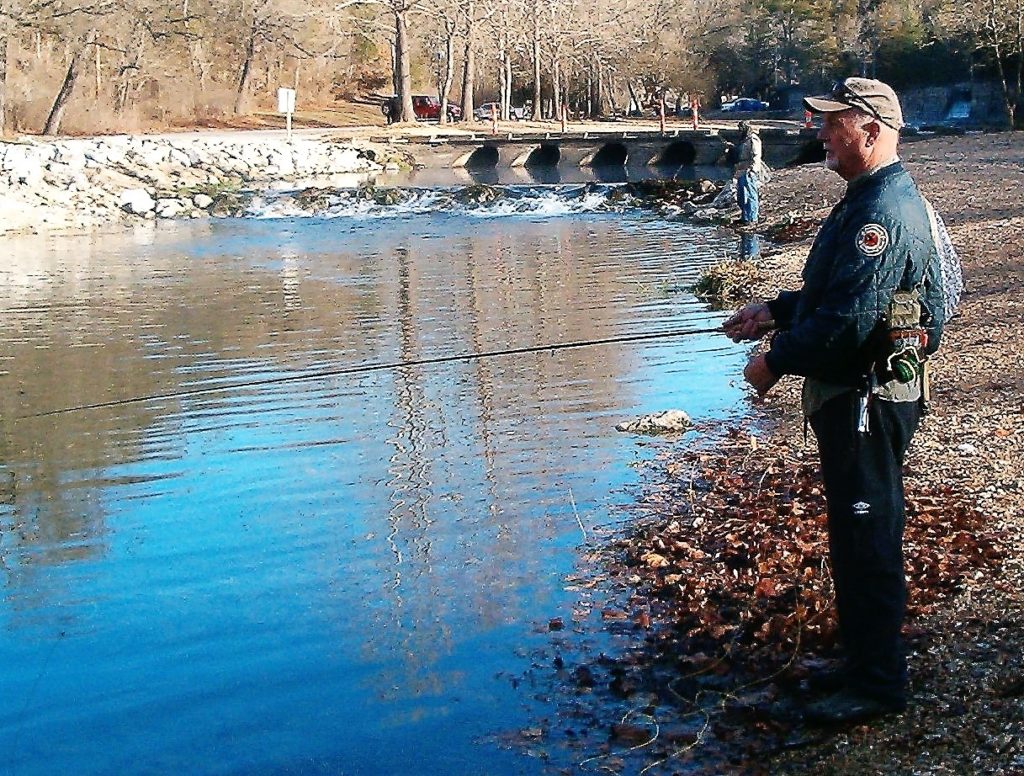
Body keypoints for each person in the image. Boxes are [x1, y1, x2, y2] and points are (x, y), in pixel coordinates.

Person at [722, 77, 947, 724]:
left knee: (868, 532)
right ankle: (861, 661)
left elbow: (850, 325)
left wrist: (773, 363)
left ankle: (877, 686)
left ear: (871, 131)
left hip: (870, 397)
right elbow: (837, 299)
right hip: (859, 393)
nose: (819, 133)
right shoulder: (866, 197)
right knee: (857, 531)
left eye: (832, 123)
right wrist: (773, 311)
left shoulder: (882, 212)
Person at [734, 121, 766, 224]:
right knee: (742, 195)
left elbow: (756, 156)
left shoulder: (753, 139)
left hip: (749, 171)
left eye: (741, 128)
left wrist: (752, 169)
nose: (739, 131)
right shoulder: (744, 139)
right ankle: (745, 217)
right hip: (741, 169)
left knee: (750, 194)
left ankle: (752, 218)